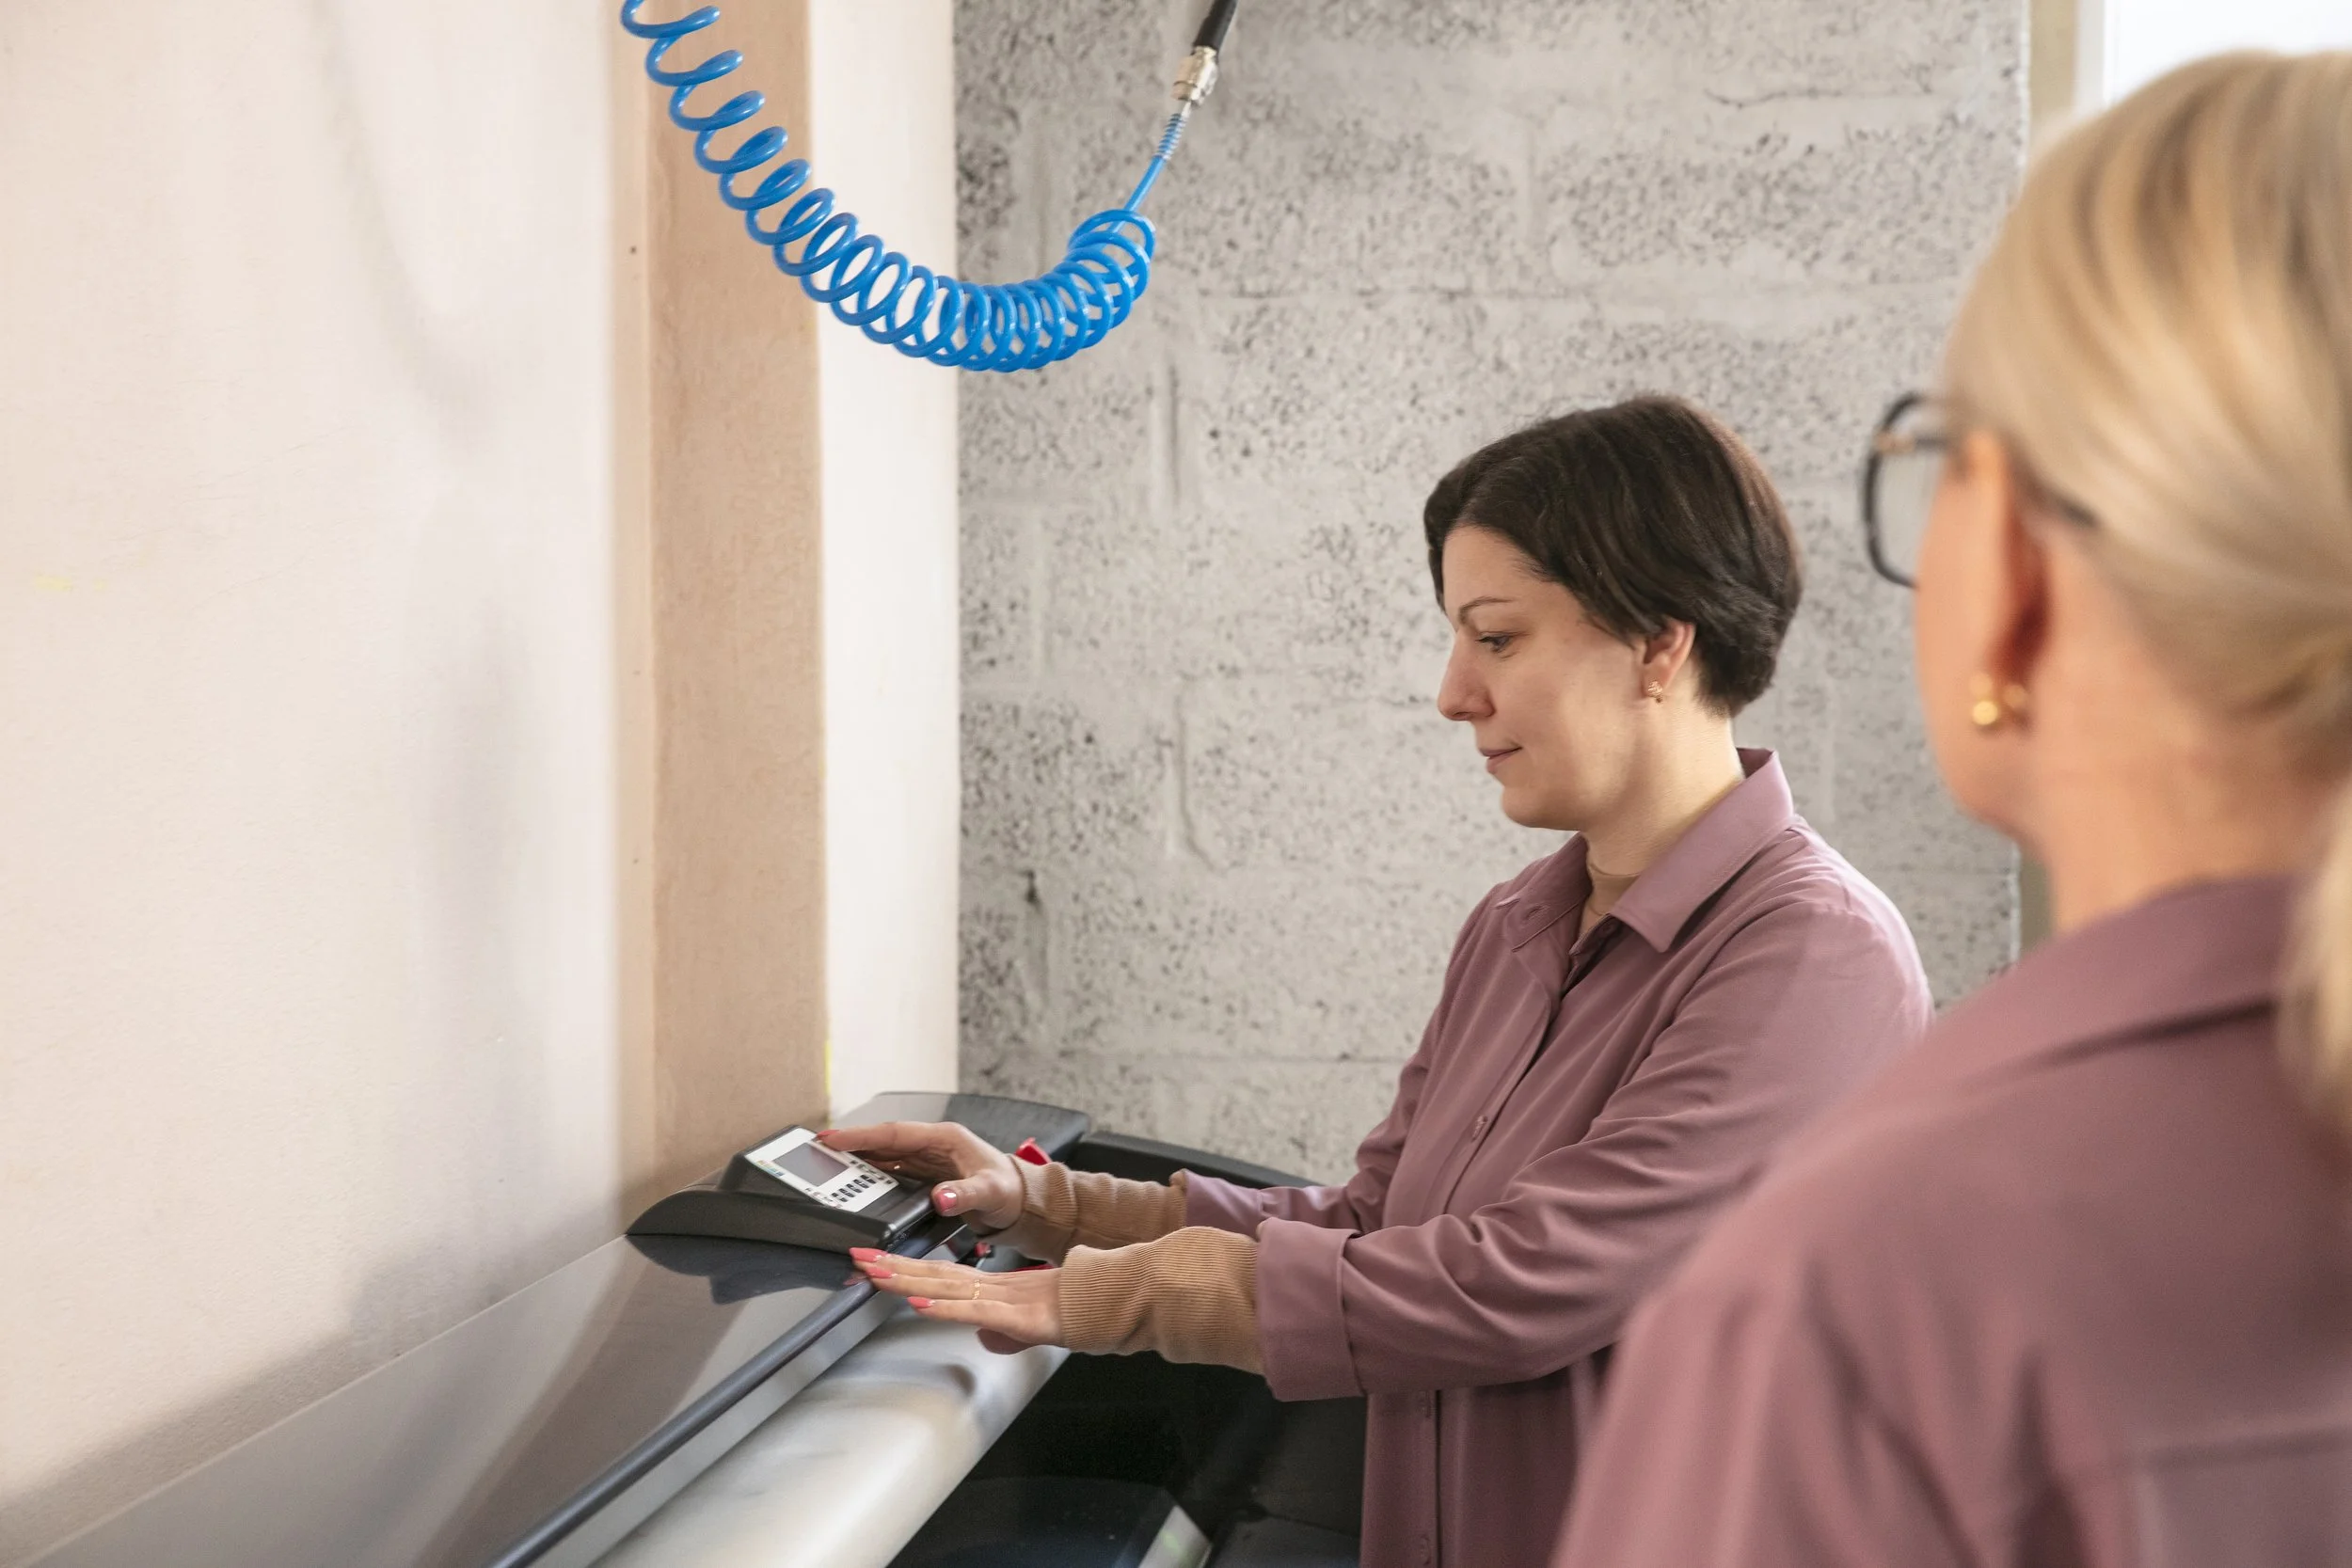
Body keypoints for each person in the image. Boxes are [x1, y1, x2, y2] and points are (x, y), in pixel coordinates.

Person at [832, 396, 1932, 1568]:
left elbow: (1523, 1281)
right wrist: (1040, 1205)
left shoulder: (1813, 952)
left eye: (1497, 638)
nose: (1455, 692)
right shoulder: (1517, 925)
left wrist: (1108, 1296)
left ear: (1662, 644)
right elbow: (1372, 1226)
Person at [1553, 53, 2352, 1568]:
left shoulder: (1860, 1312)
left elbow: (1521, 1266)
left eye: (1941, 453)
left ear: (2024, 580)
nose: (1458, 690)